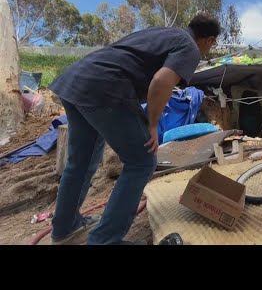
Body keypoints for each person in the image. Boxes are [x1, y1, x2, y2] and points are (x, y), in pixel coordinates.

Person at [48, 13, 221, 245]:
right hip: (107, 87)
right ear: (209, 40)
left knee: (81, 161)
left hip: (76, 81)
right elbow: (161, 82)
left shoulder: (163, 33)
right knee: (142, 161)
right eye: (211, 46)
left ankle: (64, 228)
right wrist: (151, 124)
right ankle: (105, 240)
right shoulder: (189, 47)